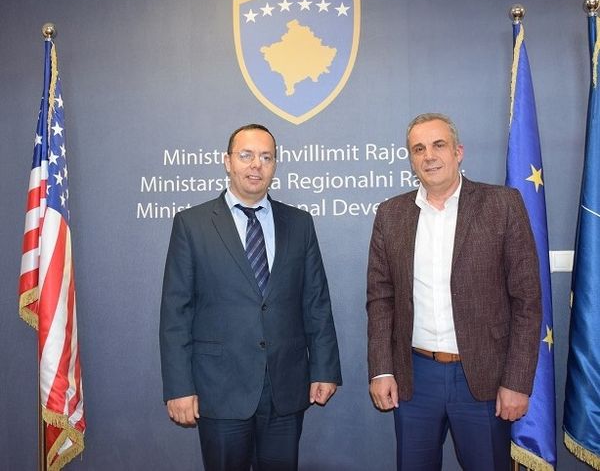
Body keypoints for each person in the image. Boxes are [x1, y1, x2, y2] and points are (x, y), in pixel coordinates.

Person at [160, 124, 342, 471]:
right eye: (246, 155)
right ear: (227, 161)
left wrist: (324, 368)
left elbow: (316, 302)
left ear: (275, 165)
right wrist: (179, 386)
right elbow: (176, 313)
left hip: (285, 389)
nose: (256, 165)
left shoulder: (300, 223)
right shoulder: (191, 224)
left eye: (266, 157)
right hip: (219, 390)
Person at [366, 113, 541, 470]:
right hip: (415, 378)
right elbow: (381, 300)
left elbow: (527, 302)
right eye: (419, 149)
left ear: (458, 152)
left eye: (438, 145)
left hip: (484, 379)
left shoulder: (502, 205)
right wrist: (381, 370)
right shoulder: (390, 214)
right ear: (411, 159)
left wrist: (517, 382)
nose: (429, 155)